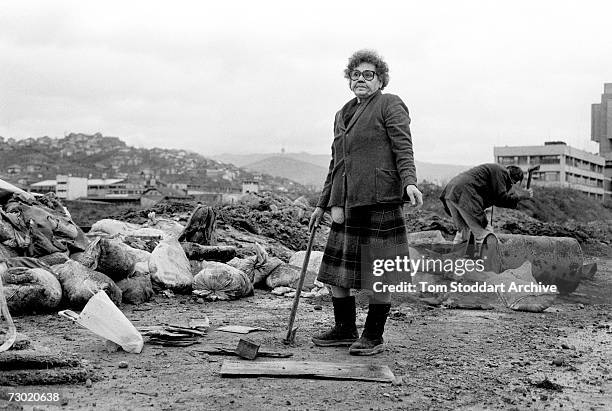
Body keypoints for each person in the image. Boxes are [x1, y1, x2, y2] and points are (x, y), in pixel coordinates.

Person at [309, 49, 422, 356]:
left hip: (380, 199)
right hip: (346, 202)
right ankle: (345, 329)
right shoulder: (341, 114)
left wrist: (409, 182)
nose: (360, 79)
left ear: (380, 79)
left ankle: (373, 335)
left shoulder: (389, 104)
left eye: (368, 74)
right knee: (336, 274)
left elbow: (403, 147)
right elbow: (337, 163)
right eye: (355, 74)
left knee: (380, 275)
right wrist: (322, 203)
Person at [440, 163, 533, 245]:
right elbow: (501, 198)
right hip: (464, 193)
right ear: (512, 178)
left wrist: (517, 197)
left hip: (451, 192)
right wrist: (522, 196)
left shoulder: (492, 173)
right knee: (482, 233)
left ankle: (455, 260)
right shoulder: (502, 172)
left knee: (463, 231)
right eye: (513, 183)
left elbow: (495, 198)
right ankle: (495, 260)